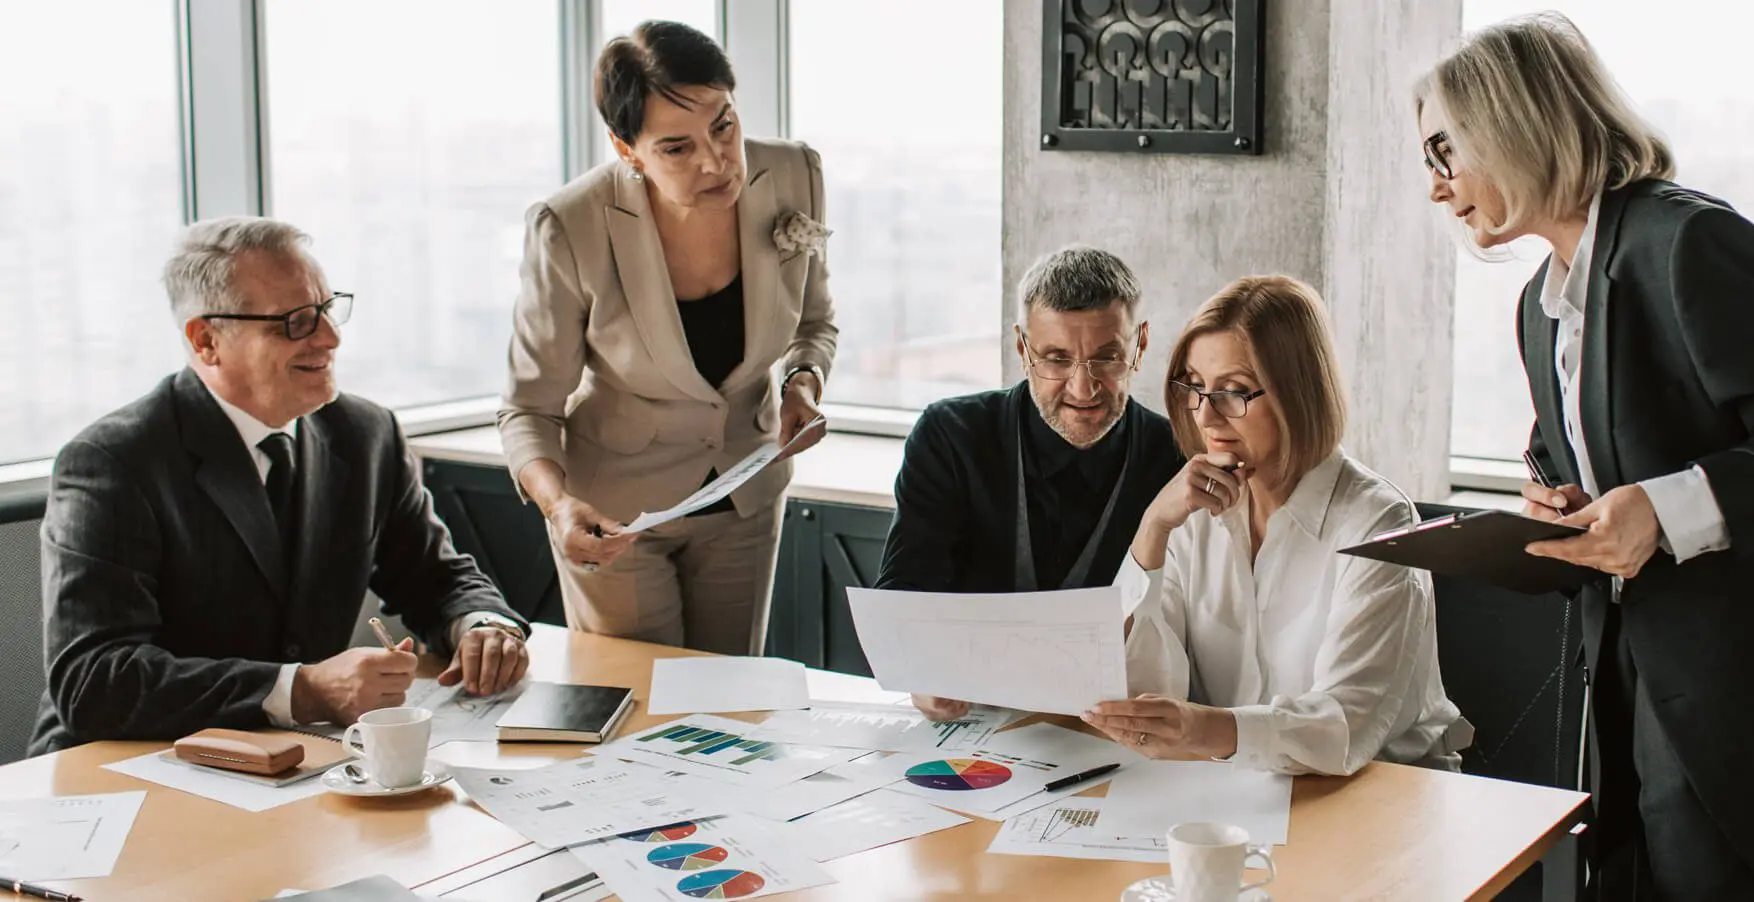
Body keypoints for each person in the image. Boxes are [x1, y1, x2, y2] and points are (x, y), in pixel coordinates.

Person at [1416, 13, 1754, 901]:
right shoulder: (1541, 305)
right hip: (1642, 698)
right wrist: (1557, 502)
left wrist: (1663, 509)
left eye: (1443, 151)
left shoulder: (1689, 243)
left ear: (1513, 123)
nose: (1435, 186)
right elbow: (1583, 451)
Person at [30, 217, 530, 756]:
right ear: (207, 341)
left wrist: (481, 624)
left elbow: (433, 574)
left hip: (297, 763)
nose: (330, 338)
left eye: (326, 310)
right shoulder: (113, 461)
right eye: (294, 323)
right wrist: (300, 690)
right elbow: (94, 680)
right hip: (123, 770)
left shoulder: (365, 434)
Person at [499, 20, 836, 655]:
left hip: (745, 495)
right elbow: (527, 407)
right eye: (676, 148)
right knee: (637, 709)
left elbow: (814, 323)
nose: (714, 161)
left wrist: (802, 381)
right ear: (627, 150)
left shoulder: (795, 173)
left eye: (724, 125)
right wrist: (558, 505)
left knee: (733, 710)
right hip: (616, 516)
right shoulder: (569, 225)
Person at [1080, 276, 1467, 775]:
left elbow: (1343, 722)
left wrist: (1202, 729)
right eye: (1195, 388)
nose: (1208, 415)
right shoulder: (1191, 515)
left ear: (1299, 391)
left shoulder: (1377, 522)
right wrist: (1152, 529)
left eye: (1234, 392)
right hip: (1239, 789)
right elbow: (1139, 693)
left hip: (1381, 796)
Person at [877, 246, 1185, 721]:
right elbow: (905, 593)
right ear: (1022, 349)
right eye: (1057, 360)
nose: (1083, 390)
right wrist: (920, 672)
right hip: (973, 725)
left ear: (1139, 346)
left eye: (1107, 358)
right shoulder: (949, 436)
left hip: (1116, 732)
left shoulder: (1175, 456)